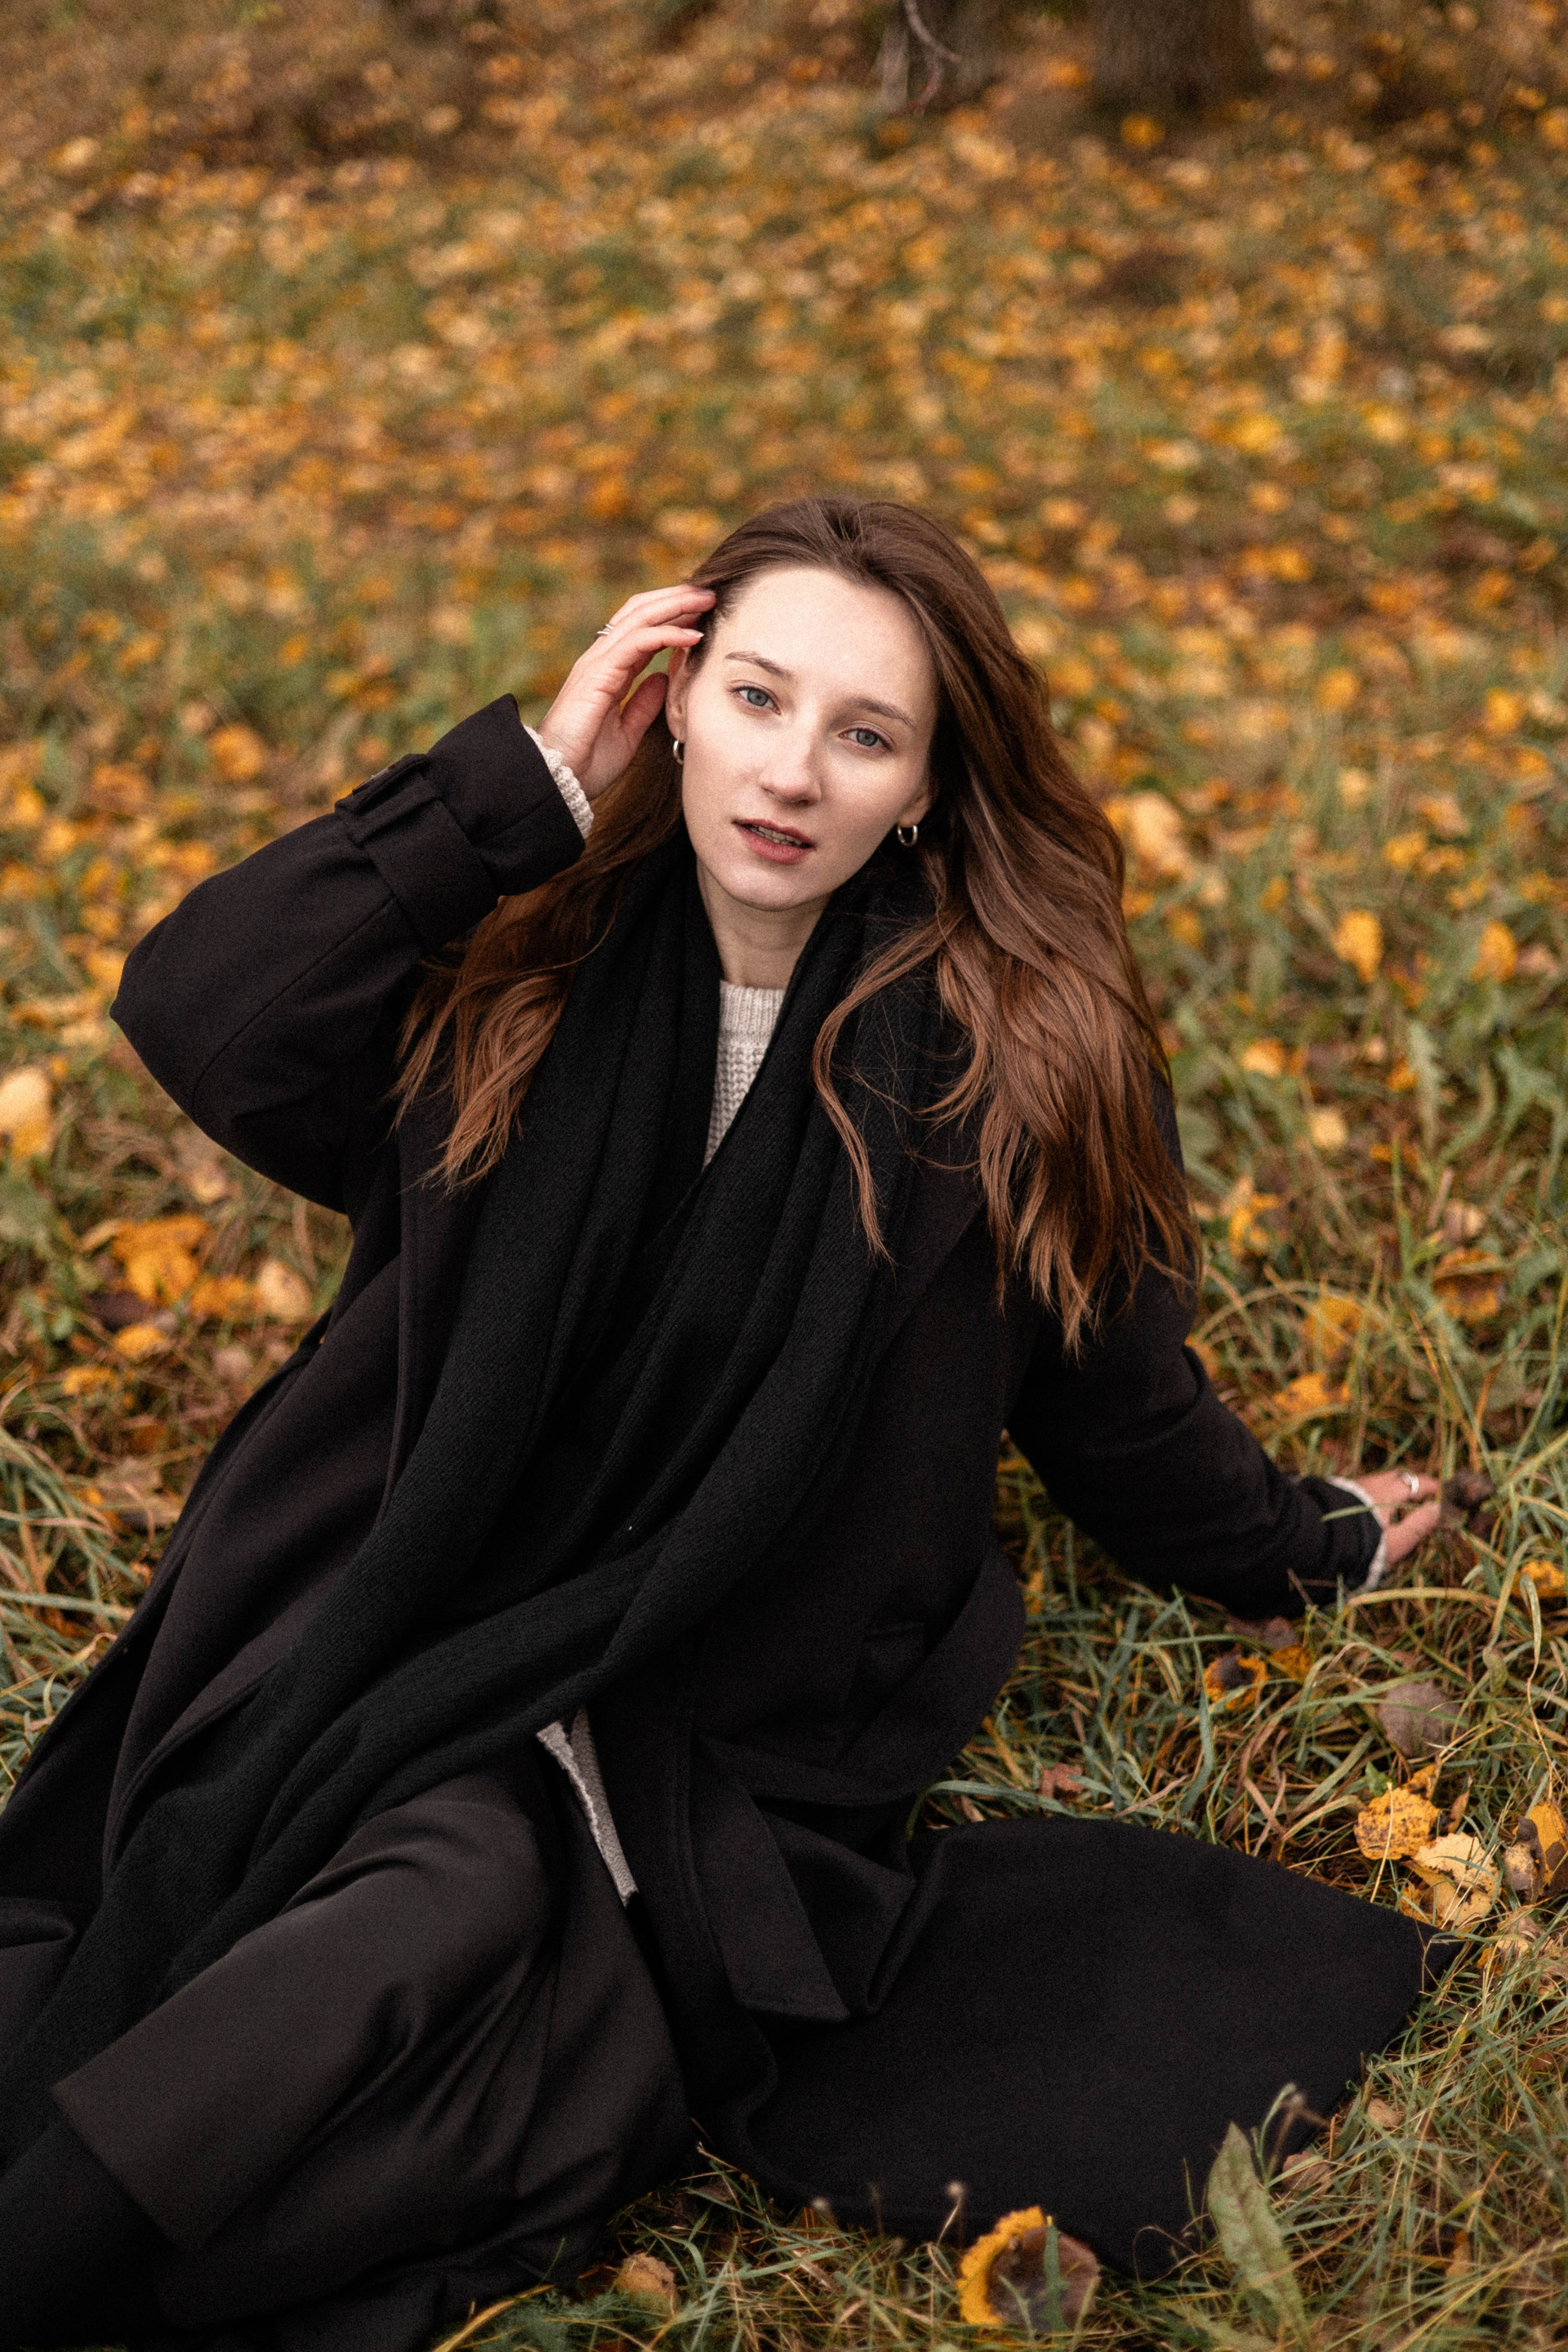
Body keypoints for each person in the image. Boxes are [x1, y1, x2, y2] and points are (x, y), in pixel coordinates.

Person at [0, 498, 1446, 2351]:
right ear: (671, 701)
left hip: (691, 1722)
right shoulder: (516, 966)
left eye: (866, 733)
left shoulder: (1015, 1063)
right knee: (407, 1899)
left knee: (453, 1914)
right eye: (755, 698)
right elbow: (201, 1006)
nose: (792, 774)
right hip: (400, 1612)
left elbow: (1117, 1395)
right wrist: (517, 785)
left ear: (925, 787)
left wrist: (1299, 1543)